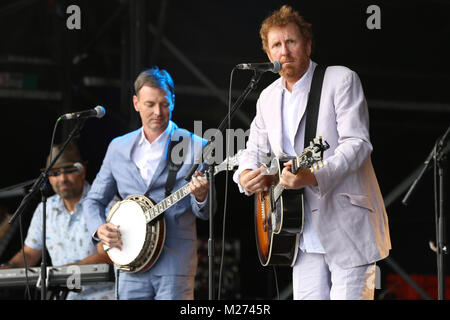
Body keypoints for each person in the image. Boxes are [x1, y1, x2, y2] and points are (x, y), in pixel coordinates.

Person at [233, 5, 391, 300]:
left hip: (348, 227)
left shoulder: (340, 80)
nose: (285, 51)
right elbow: (252, 151)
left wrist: (313, 176)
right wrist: (244, 175)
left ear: (307, 44)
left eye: (291, 41)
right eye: (276, 45)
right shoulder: (267, 98)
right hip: (299, 235)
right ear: (268, 54)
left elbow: (358, 144)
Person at [84, 66, 212, 300]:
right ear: (136, 103)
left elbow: (205, 213)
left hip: (174, 263)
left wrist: (202, 195)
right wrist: (99, 229)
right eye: (149, 104)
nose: (158, 112)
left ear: (173, 101)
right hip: (128, 260)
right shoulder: (118, 147)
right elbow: (93, 200)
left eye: (164, 103)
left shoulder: (197, 146)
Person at [1, 142, 115, 300]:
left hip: (104, 296)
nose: (62, 178)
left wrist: (63, 272)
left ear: (82, 171)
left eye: (69, 171)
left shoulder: (107, 204)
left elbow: (109, 256)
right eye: (55, 173)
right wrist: (8, 268)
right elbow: (29, 253)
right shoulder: (45, 209)